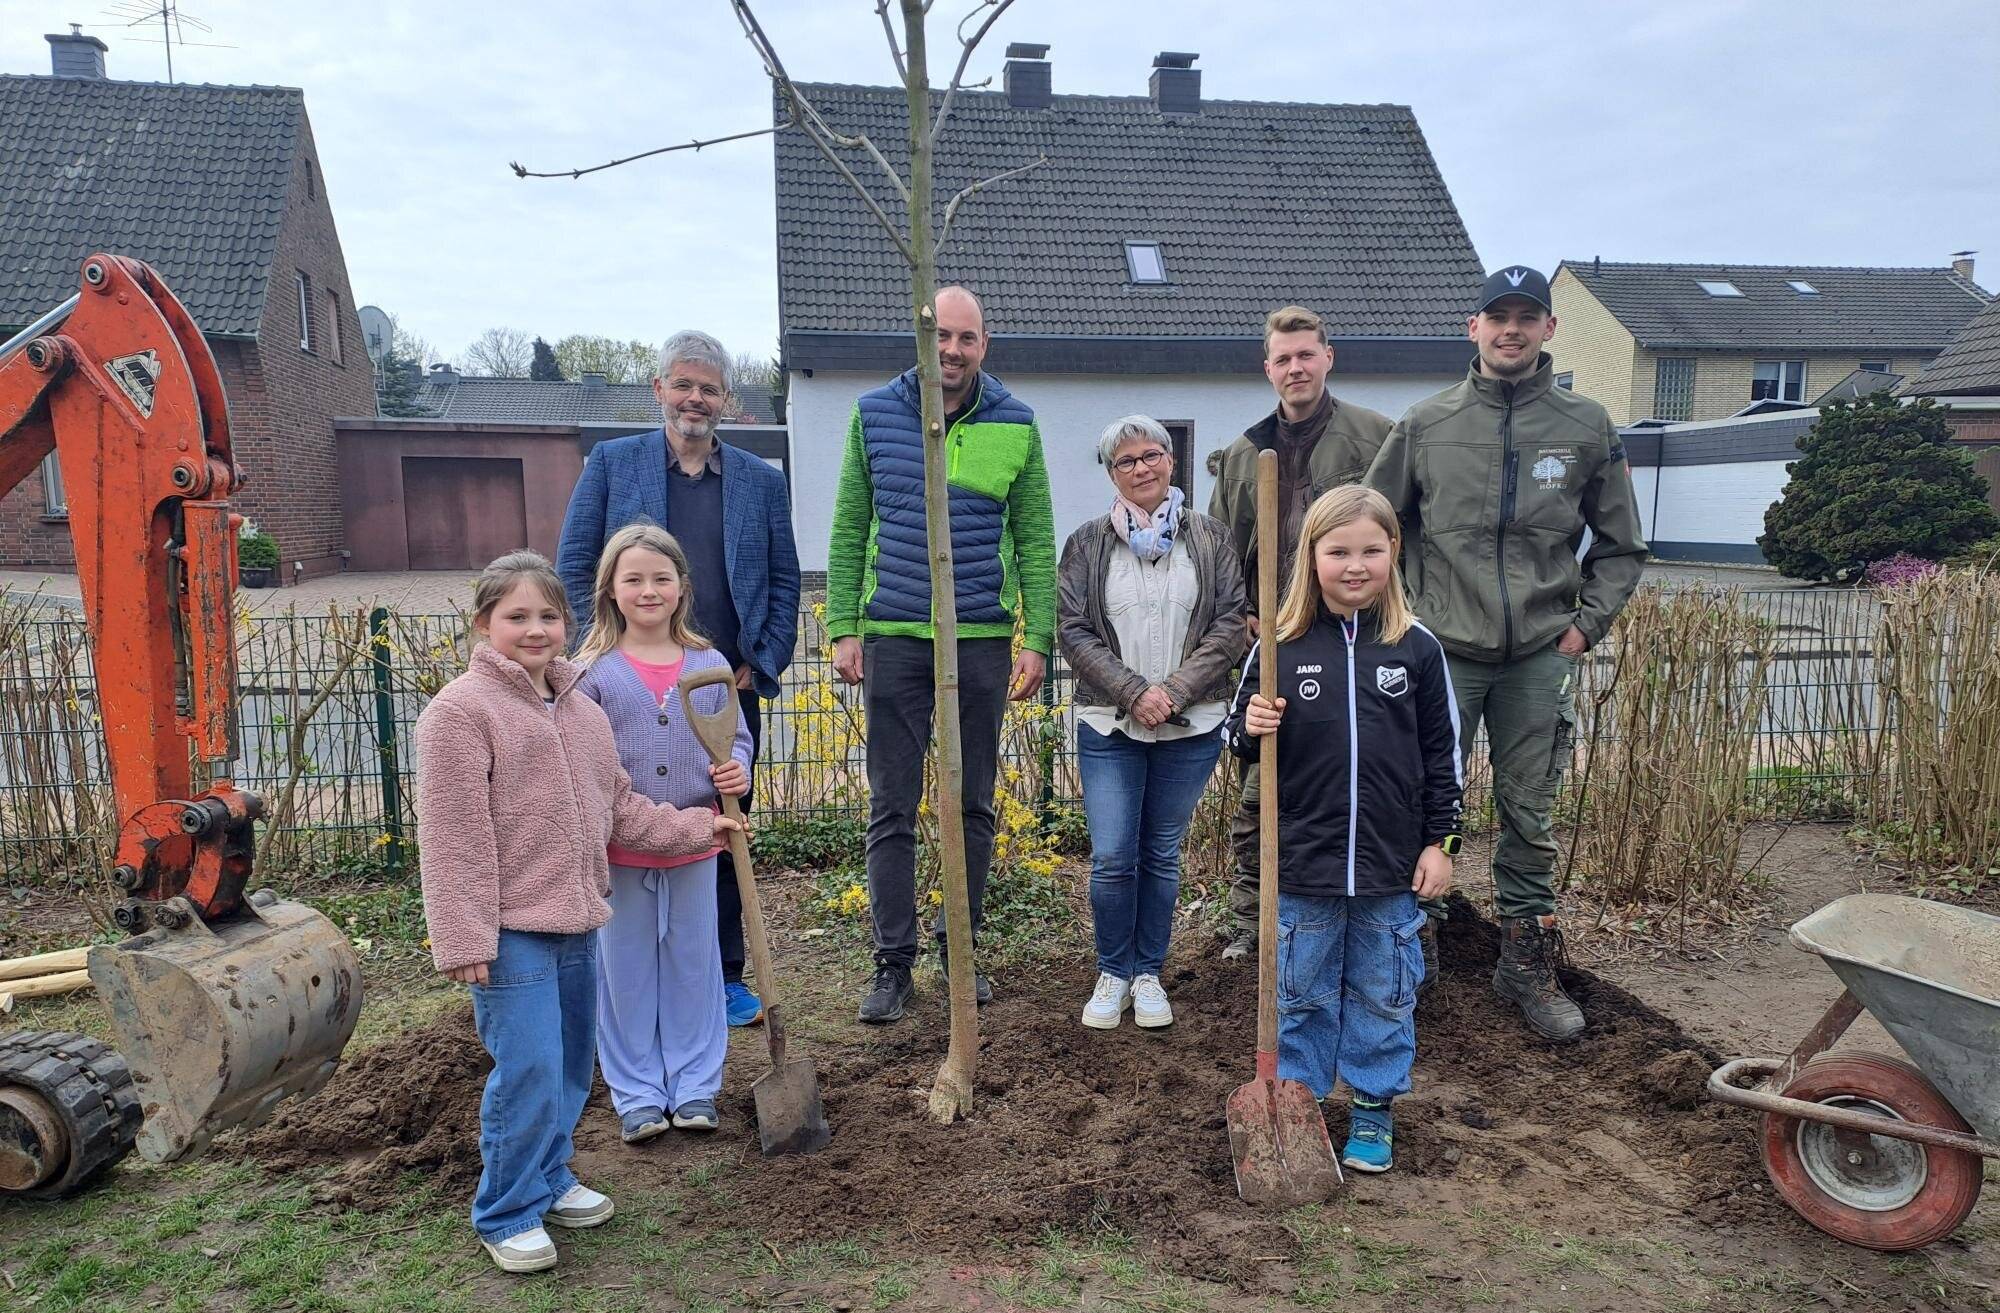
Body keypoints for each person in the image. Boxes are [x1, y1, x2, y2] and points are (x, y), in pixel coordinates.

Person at [416, 551, 741, 1273]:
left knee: (567, 1068)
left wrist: (700, 829)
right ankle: (505, 1210)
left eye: (547, 616)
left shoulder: (582, 710)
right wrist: (464, 933)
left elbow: (620, 808)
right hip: (508, 930)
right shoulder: (460, 713)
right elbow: (451, 834)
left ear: (567, 622)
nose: (535, 630)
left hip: (576, 919)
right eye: (517, 617)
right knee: (527, 1067)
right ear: (483, 623)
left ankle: (550, 1175)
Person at [1366, 265, 1648, 1042]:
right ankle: (1408, 947)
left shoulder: (1587, 427)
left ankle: (1523, 960)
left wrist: (1585, 625)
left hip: (1535, 655)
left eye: (1528, 316)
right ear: (1474, 327)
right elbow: (1368, 523)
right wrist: (1399, 618)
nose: (1512, 329)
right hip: (1440, 653)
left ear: (1549, 330)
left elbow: (1621, 546)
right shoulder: (1426, 424)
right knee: (1421, 799)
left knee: (1530, 811)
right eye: (1499, 316)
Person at [555, 330, 800, 1030]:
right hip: (629, 686)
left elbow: (784, 578)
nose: (696, 397)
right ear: (658, 390)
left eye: (710, 387)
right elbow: (576, 565)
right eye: (683, 384)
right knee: (626, 824)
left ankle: (721, 975)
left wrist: (767, 655)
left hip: (722, 691)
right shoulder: (612, 464)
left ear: (727, 399)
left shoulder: (760, 481)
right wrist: (596, 657)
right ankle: (632, 971)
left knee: (721, 825)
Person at [826, 286, 1057, 1023]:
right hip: (894, 635)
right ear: (919, 339)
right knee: (891, 806)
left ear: (984, 344)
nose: (951, 351)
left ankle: (960, 947)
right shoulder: (873, 415)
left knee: (973, 804)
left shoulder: (1016, 423)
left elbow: (1035, 538)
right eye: (939, 337)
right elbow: (848, 525)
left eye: (965, 338)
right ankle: (893, 965)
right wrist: (842, 625)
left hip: (983, 640)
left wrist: (1038, 638)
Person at [1224, 487, 1462, 1174]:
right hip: (1303, 863)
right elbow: (1233, 739)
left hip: (1391, 866)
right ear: (1312, 557)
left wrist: (1440, 844)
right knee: (1299, 991)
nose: (1354, 565)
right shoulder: (1280, 646)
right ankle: (1295, 1107)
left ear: (1394, 552)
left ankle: (1371, 1109)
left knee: (1385, 991)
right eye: (1338, 551)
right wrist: (1253, 727)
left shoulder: (1416, 650)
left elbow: (1444, 759)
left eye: (1370, 550)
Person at [1208, 306, 1395, 963]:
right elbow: (1222, 554)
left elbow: (1402, 538)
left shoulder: (1375, 439)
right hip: (1277, 645)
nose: (1296, 367)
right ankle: (1251, 921)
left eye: (1306, 354)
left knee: (1369, 775)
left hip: (1358, 639)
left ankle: (1391, 918)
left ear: (1328, 357)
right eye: (1283, 359)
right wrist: (1243, 619)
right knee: (1263, 783)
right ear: (1268, 369)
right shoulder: (1242, 452)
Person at [1058, 416, 1247, 1030]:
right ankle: (1113, 971)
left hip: (1191, 724)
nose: (1141, 468)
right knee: (1114, 855)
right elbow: (1074, 629)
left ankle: (1150, 973)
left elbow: (1229, 625)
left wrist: (1175, 691)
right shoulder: (1088, 544)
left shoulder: (1211, 539)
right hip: (1110, 723)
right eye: (1125, 461)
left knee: (1161, 853)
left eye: (1151, 455)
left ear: (1171, 460)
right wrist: (1135, 692)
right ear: (1111, 474)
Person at [576, 525, 752, 1142]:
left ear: (681, 587)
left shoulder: (707, 664)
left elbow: (736, 737)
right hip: (619, 848)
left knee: (692, 964)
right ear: (611, 590)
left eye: (661, 578)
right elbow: (580, 755)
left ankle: (695, 1083)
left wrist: (738, 768)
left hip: (700, 840)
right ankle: (638, 1091)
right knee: (625, 970)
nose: (648, 590)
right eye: (633, 579)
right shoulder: (591, 672)